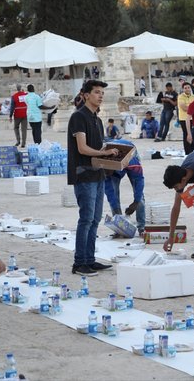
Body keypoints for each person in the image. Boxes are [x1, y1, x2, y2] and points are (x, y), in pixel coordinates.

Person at [67, 80, 119, 276]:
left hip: (98, 174)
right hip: (84, 173)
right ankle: (79, 263)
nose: (100, 96)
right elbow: (82, 148)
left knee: (95, 219)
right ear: (86, 95)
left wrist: (113, 153)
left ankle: (90, 259)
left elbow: (99, 147)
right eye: (97, 92)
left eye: (102, 93)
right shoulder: (78, 117)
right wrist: (105, 154)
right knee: (86, 219)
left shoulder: (97, 119)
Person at [104, 138, 146, 236]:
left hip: (129, 152)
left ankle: (141, 227)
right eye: (106, 172)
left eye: (108, 172)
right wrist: (119, 220)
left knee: (140, 198)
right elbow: (111, 196)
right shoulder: (103, 171)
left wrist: (135, 202)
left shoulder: (131, 162)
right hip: (112, 163)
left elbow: (139, 181)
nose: (107, 174)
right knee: (114, 193)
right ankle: (118, 227)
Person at [177, 82, 194, 155]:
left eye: (188, 87)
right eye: (185, 88)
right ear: (183, 89)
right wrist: (192, 108)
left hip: (193, 118)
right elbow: (183, 107)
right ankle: (187, 152)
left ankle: (191, 149)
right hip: (184, 119)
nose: (187, 89)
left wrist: (191, 107)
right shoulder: (181, 97)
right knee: (186, 134)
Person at [9, 84, 28, 148]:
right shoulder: (26, 95)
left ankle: (18, 141)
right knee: (24, 129)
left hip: (17, 114)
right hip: (25, 113)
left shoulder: (14, 96)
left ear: (16, 89)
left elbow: (12, 107)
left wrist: (10, 116)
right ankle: (23, 143)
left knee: (16, 127)